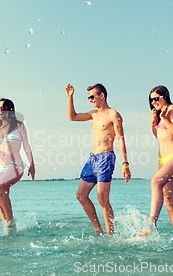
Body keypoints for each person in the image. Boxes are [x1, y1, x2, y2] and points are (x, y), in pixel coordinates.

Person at [65, 83, 131, 235]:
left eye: (92, 96)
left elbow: (120, 138)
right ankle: (97, 229)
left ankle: (110, 234)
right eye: (88, 97)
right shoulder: (93, 114)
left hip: (106, 158)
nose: (90, 100)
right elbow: (72, 117)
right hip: (93, 159)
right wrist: (70, 97)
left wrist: (125, 163)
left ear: (102, 95)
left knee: (102, 198)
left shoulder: (113, 114)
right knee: (80, 195)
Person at [0, 98, 35, 233]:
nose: (0, 111)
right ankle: (7, 227)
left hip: (15, 165)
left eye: (2, 108)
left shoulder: (19, 125)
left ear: (10, 110)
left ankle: (10, 224)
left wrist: (32, 164)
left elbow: (26, 146)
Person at [140, 85, 173, 237]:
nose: (153, 102)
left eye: (156, 98)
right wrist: (155, 120)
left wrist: (164, 118)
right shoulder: (158, 114)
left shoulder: (172, 109)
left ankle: (151, 224)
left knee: (155, 182)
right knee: (169, 199)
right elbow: (158, 135)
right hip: (162, 159)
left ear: (164, 96)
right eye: (151, 100)